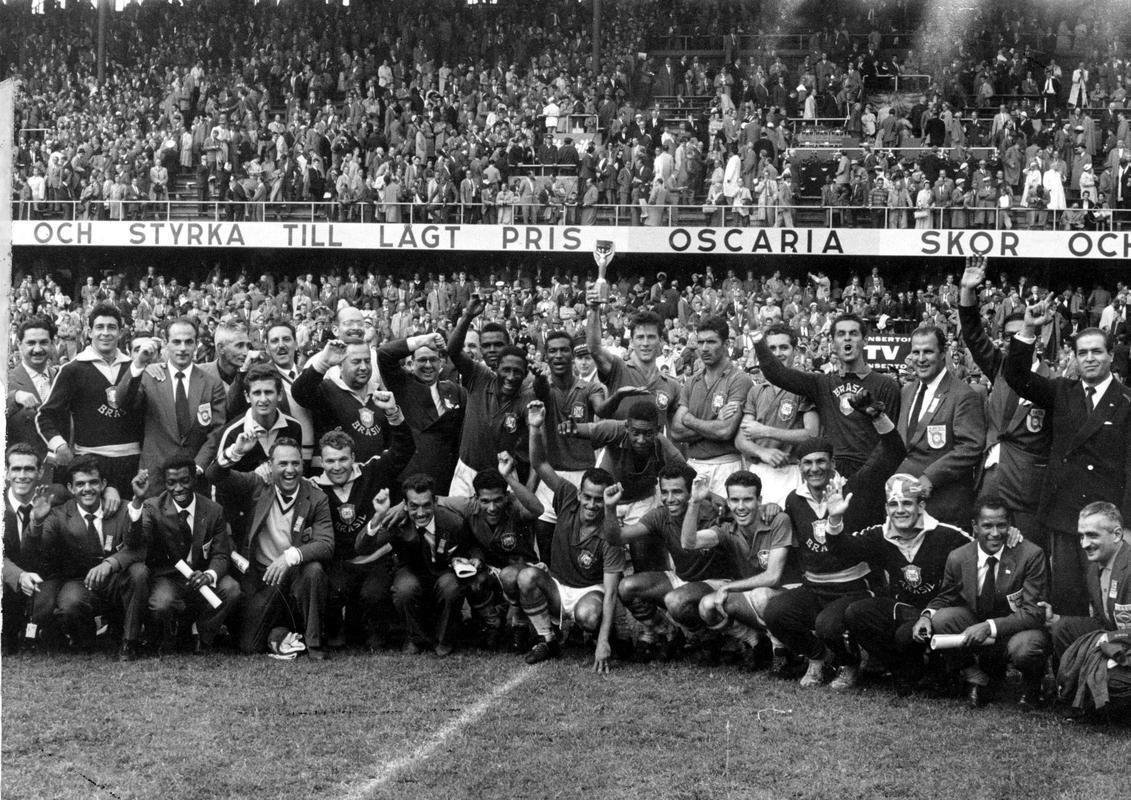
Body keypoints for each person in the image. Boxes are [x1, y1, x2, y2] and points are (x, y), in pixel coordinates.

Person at [763, 394, 906, 687]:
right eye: (807, 463)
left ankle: (850, 664)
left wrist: (877, 416)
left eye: (820, 462)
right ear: (799, 467)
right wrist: (773, 509)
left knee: (826, 624)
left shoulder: (857, 488)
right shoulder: (794, 499)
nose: (814, 469)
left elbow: (894, 451)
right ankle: (818, 657)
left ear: (832, 463)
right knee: (775, 612)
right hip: (815, 586)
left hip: (854, 588)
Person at [1003, 300, 1131, 615]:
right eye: (1083, 352)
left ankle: (1107, 662)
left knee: (1110, 603)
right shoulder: (1063, 391)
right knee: (1067, 598)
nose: (1089, 358)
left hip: (1107, 517)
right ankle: (1068, 661)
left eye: (1097, 351)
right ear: (1075, 357)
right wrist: (1029, 329)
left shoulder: (1127, 401)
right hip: (1065, 514)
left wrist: (1126, 523)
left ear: (1111, 356)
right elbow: (1017, 376)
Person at [834, 475, 975, 695]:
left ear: (921, 505)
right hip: (905, 610)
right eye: (893, 504)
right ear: (886, 508)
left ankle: (942, 671)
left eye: (907, 503)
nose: (900, 510)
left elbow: (982, 550)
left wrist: (1013, 538)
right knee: (856, 613)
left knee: (905, 635)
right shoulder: (879, 534)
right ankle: (902, 670)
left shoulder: (947, 535)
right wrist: (834, 520)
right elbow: (843, 551)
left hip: (939, 613)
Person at [913, 496, 1051, 709]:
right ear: (974, 526)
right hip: (978, 623)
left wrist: (990, 627)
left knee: (1027, 648)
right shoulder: (958, 557)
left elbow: (1034, 612)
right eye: (987, 526)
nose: (995, 533)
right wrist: (926, 616)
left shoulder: (1031, 555)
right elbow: (946, 597)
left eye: (1001, 525)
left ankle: (1032, 685)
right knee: (943, 619)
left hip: (1017, 629)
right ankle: (976, 677)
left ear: (1010, 526)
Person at [206, 436, 334, 659]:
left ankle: (314, 644)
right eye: (282, 464)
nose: (290, 470)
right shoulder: (258, 485)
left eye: (295, 463)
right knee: (249, 645)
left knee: (314, 570)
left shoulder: (316, 497)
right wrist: (236, 451)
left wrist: (290, 557)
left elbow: (326, 543)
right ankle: (281, 634)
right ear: (270, 466)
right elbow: (214, 475)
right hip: (264, 577)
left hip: (295, 574)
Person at [521, 400, 624, 672]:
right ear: (579, 494)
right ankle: (549, 638)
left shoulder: (610, 532)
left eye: (599, 500)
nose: (591, 504)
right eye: (587, 497)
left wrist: (603, 642)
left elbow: (612, 591)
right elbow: (540, 462)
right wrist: (535, 428)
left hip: (589, 593)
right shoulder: (567, 496)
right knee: (526, 577)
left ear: (608, 500)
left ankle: (600, 634)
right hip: (559, 586)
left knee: (588, 615)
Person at [310, 393, 414, 651]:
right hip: (340, 562)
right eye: (330, 461)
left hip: (374, 558)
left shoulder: (371, 470)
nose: (337, 466)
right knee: (333, 590)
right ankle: (335, 631)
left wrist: (393, 412)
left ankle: (377, 635)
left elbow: (404, 449)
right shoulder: (312, 488)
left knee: (373, 595)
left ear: (353, 457)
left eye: (343, 459)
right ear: (322, 462)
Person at [957, 257, 1051, 540]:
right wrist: (966, 291)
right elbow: (973, 335)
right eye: (1009, 336)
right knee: (985, 552)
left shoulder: (1055, 383)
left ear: (1037, 337)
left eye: (1023, 333)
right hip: (990, 478)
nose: (1014, 341)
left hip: (1028, 485)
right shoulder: (999, 368)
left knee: (1027, 556)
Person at [608, 463, 732, 661]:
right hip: (683, 579)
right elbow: (617, 537)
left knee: (676, 600)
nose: (670, 499)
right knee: (627, 587)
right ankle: (669, 632)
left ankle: (711, 638)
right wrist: (610, 507)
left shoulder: (715, 513)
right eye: (664, 492)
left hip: (717, 584)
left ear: (692, 491)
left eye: (677, 492)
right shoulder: (661, 515)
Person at [752, 315, 900, 477]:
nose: (847, 339)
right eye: (841, 334)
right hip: (832, 474)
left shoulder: (886, 385)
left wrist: (867, 477)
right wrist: (757, 338)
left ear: (864, 340)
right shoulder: (821, 383)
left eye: (854, 333)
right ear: (833, 343)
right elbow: (776, 374)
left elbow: (891, 442)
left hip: (871, 475)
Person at [37, 456, 148, 661]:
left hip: (115, 579)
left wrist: (109, 564)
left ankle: (129, 641)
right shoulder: (59, 514)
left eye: (93, 482)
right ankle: (85, 638)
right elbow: (40, 551)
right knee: (69, 604)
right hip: (81, 582)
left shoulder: (122, 508)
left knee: (139, 572)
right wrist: (36, 522)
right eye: (80, 484)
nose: (87, 489)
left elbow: (138, 547)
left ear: (104, 484)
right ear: (70, 488)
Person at [687, 470, 799, 670]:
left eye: (747, 499)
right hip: (756, 595)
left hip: (790, 595)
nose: (741, 506)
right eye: (735, 500)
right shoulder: (727, 529)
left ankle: (782, 651)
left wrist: (730, 588)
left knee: (761, 595)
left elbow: (773, 577)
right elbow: (689, 542)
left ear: (759, 500)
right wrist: (694, 502)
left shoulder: (778, 520)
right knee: (707, 606)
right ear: (728, 502)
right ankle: (755, 642)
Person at [128, 457, 240, 655]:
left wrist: (210, 575)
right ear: (164, 483)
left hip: (202, 575)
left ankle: (203, 637)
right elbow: (137, 541)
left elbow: (221, 554)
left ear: (195, 480)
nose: (178, 488)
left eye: (184, 481)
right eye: (171, 483)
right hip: (169, 578)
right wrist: (137, 501)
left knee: (231, 589)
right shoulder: (153, 508)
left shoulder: (213, 510)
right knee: (161, 603)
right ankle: (171, 636)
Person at [436, 455, 543, 650]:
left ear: (506, 496)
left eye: (497, 500)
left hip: (523, 571)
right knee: (473, 578)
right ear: (476, 498)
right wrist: (402, 507)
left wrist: (509, 478)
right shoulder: (469, 505)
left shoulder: (515, 505)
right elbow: (433, 500)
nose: (492, 507)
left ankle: (520, 623)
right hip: (492, 571)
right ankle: (492, 624)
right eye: (485, 501)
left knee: (510, 576)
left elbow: (538, 509)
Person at [356, 473, 468, 657]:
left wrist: (463, 561)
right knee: (404, 589)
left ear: (435, 501)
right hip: (410, 571)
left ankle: (445, 640)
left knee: (451, 587)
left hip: (442, 570)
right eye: (414, 506)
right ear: (405, 505)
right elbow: (362, 547)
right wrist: (378, 515)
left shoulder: (452, 521)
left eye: (426, 505)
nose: (421, 513)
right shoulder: (398, 522)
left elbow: (467, 549)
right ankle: (416, 639)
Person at [36, 303, 142, 495]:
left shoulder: (134, 368)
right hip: (90, 463)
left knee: (128, 521)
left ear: (120, 332)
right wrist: (59, 445)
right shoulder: (72, 369)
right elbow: (45, 416)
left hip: (132, 462)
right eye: (99, 327)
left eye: (111, 327)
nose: (106, 333)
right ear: (89, 331)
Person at [118, 318, 228, 495]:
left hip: (195, 478)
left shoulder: (211, 383)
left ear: (196, 344)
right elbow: (123, 402)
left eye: (188, 342)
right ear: (166, 343)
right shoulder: (149, 376)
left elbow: (217, 432)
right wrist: (138, 364)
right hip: (154, 477)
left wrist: (198, 466)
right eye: (176, 342)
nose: (183, 348)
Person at [895, 326, 985, 528]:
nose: (921, 358)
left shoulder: (963, 394)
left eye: (928, 351)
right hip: (907, 507)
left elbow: (971, 447)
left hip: (944, 506)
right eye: (916, 352)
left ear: (943, 353)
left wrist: (930, 477)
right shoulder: (907, 391)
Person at [446, 294, 534, 497]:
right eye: (486, 346)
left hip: (504, 473)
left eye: (498, 345)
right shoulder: (477, 373)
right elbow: (452, 350)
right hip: (468, 469)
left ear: (510, 343)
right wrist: (467, 315)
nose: (492, 350)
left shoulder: (527, 385)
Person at [530, 330, 606, 546]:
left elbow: (602, 406)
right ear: (546, 356)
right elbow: (541, 390)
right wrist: (538, 378)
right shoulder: (543, 387)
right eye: (552, 351)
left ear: (572, 355)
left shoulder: (590, 388)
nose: (558, 355)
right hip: (551, 473)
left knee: (582, 540)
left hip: (583, 474)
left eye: (564, 350)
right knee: (545, 532)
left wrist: (616, 397)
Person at [734, 323, 818, 506]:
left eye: (784, 347)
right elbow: (741, 439)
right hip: (759, 470)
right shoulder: (756, 391)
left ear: (795, 351)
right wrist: (761, 451)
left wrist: (765, 431)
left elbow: (812, 434)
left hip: (792, 470)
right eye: (771, 348)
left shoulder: (805, 386)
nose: (777, 353)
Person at [376, 331, 466, 494]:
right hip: (410, 481)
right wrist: (421, 341)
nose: (428, 365)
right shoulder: (402, 385)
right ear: (411, 364)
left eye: (433, 359)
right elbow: (384, 354)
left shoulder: (454, 390)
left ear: (442, 363)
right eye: (422, 360)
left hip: (444, 480)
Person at [670, 317, 752, 496]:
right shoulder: (692, 382)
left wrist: (689, 419)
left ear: (725, 344)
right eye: (700, 342)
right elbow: (676, 431)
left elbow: (725, 431)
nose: (704, 348)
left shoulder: (739, 380)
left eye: (711, 342)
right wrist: (714, 423)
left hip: (726, 465)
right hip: (693, 464)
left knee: (724, 521)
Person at [1046, 501, 1131, 662]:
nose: (1084, 544)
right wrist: (1058, 620)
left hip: (1125, 645)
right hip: (1117, 639)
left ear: (1117, 534)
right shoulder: (1094, 568)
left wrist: (1108, 639)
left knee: (1108, 676)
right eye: (1081, 536)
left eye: (1092, 535)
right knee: (1062, 628)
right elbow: (1102, 621)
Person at [586, 292, 681, 425]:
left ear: (660, 341)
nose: (645, 343)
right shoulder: (618, 369)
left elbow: (677, 431)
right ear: (631, 341)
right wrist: (594, 309)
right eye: (640, 337)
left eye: (651, 337)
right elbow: (594, 349)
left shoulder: (672, 385)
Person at [2, 444, 62, 654]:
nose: (22, 475)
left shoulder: (55, 500)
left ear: (40, 472)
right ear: (6, 473)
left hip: (41, 580)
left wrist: (111, 490)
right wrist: (19, 576)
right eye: (16, 469)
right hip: (8, 578)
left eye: (29, 469)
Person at [292, 338, 389, 463]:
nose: (364, 367)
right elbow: (299, 393)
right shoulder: (327, 390)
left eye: (367, 361)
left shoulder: (379, 395)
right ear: (340, 365)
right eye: (356, 362)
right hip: (337, 477)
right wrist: (323, 364)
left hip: (374, 477)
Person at [7, 317, 59, 469]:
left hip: (60, 473)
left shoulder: (60, 377)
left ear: (52, 344)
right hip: (24, 476)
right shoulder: (7, 381)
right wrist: (15, 396)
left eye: (43, 342)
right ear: (19, 345)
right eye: (31, 343)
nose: (37, 349)